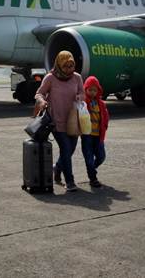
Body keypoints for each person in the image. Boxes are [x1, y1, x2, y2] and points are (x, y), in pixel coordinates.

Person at [34, 51, 84, 192]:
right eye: (66, 66)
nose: (69, 69)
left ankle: (57, 168)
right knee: (66, 149)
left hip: (73, 121)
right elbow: (39, 93)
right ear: (59, 65)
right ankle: (70, 181)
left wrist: (80, 96)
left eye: (71, 66)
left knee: (70, 150)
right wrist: (42, 101)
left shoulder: (77, 77)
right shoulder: (50, 78)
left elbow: (82, 92)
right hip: (56, 120)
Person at [81, 76, 110, 188]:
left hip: (98, 135)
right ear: (85, 89)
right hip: (87, 135)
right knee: (88, 157)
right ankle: (93, 178)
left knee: (101, 157)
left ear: (98, 90)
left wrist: (105, 126)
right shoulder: (84, 102)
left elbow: (105, 116)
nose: (92, 92)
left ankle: (91, 168)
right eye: (90, 90)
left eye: (95, 90)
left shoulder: (101, 104)